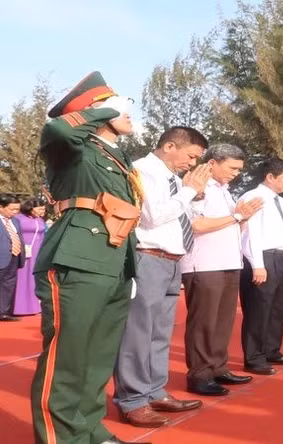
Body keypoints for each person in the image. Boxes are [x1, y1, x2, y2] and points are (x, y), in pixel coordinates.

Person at [30, 72, 146, 444]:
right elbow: (58, 130)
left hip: (114, 260)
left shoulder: (118, 156)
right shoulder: (73, 149)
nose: (127, 110)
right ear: (92, 110)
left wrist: (129, 267)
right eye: (116, 104)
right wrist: (106, 110)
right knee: (67, 356)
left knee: (97, 356)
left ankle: (89, 429)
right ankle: (61, 438)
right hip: (77, 259)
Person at [113, 127, 209, 428]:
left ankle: (154, 390)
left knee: (159, 333)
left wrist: (194, 195)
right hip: (147, 257)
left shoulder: (174, 179)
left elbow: (183, 218)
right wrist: (189, 191)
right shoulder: (143, 170)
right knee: (137, 332)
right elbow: (152, 217)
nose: (192, 164)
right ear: (169, 146)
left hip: (171, 260)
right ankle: (132, 399)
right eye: (190, 156)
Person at [180, 144, 263, 397]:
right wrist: (236, 217)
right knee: (204, 322)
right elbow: (196, 225)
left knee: (223, 321)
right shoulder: (196, 185)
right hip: (204, 264)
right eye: (232, 167)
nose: (236, 173)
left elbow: (231, 226)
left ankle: (218, 367)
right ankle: (200, 374)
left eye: (239, 169)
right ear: (212, 162)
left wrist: (242, 219)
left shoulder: (225, 192)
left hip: (229, 261)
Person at [238, 157, 283, 374]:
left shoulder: (281, 202)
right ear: (270, 177)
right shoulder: (253, 197)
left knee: (278, 308)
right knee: (259, 308)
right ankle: (254, 357)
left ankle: (272, 350)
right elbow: (250, 233)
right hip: (263, 258)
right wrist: (257, 264)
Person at [14, 198, 47, 316]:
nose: (43, 211)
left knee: (33, 278)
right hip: (21, 251)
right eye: (40, 208)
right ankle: (17, 307)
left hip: (36, 251)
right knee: (21, 278)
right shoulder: (18, 218)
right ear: (30, 208)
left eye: (44, 209)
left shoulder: (40, 220)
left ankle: (33, 307)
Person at [0, 194, 24, 322]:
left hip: (13, 257)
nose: (15, 212)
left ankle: (3, 312)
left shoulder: (15, 221)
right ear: (1, 207)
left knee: (8, 285)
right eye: (12, 209)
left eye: (17, 209)